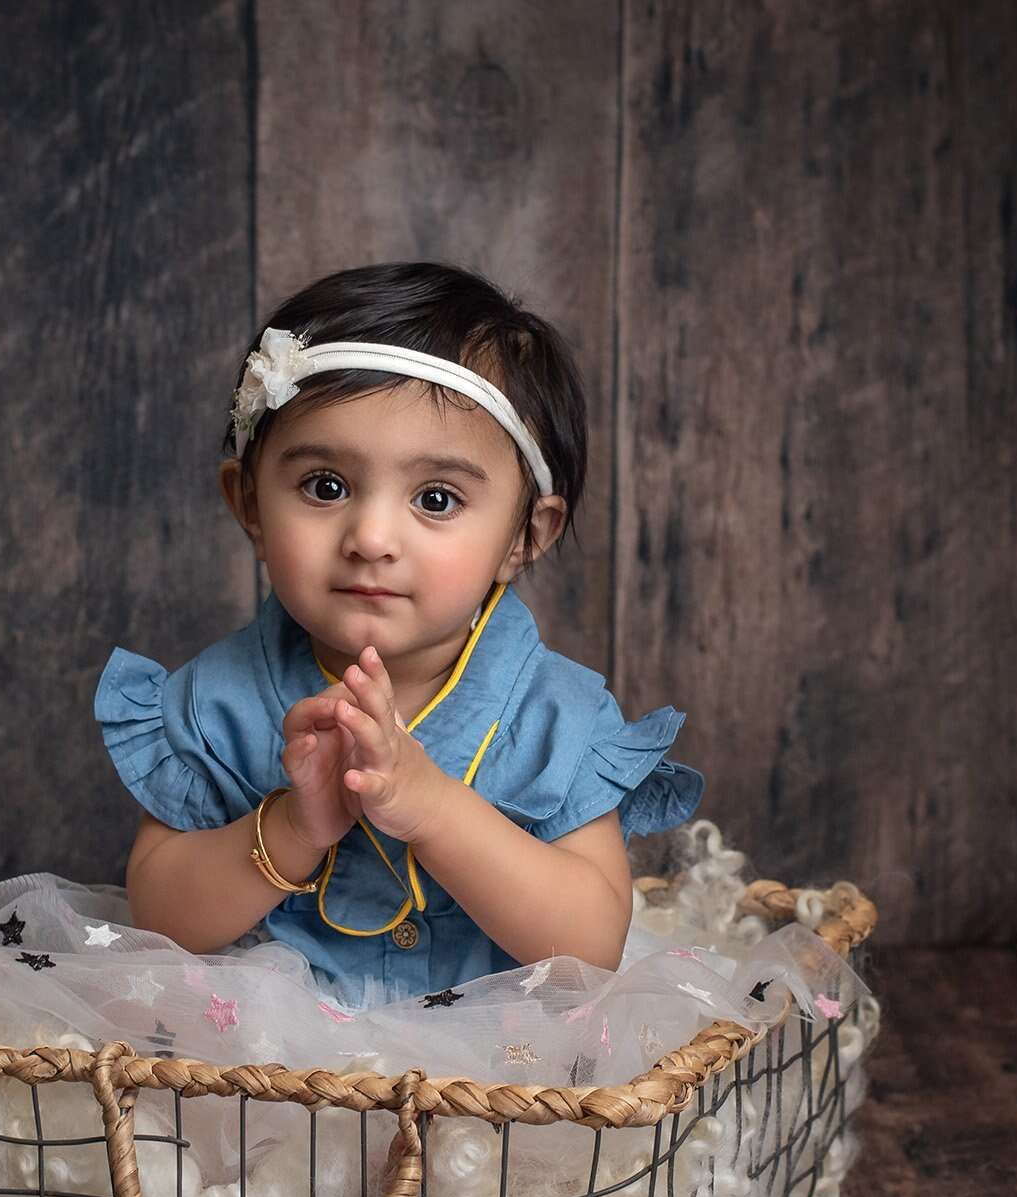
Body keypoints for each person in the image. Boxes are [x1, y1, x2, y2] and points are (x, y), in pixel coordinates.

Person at [92, 261, 704, 1010]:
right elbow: (159, 916)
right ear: (249, 502)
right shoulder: (211, 704)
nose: (372, 536)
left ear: (524, 535)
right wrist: (291, 825)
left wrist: (432, 805)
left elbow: (591, 941)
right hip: (265, 1072)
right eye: (326, 486)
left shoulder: (559, 720)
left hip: (494, 1078)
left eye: (436, 498)